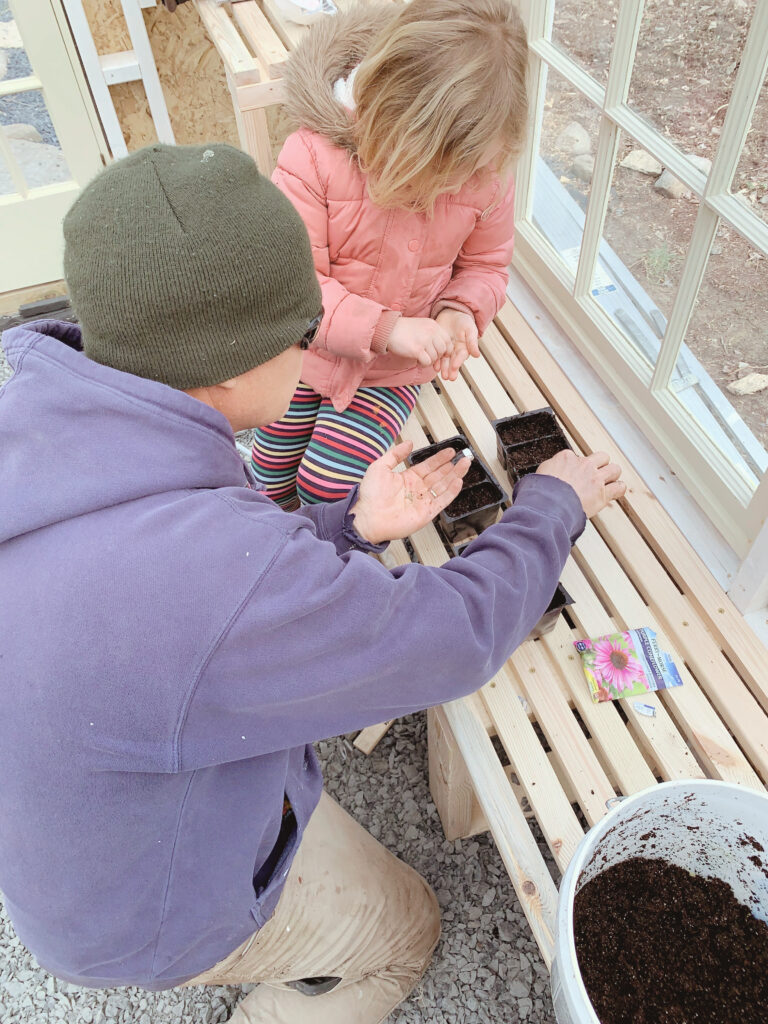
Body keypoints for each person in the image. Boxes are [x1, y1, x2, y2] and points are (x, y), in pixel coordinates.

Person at [0, 143, 624, 1024]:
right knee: (407, 927)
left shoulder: (40, 414)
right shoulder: (209, 580)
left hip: (70, 841)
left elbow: (208, 594)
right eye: (305, 332)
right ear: (228, 365)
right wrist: (553, 502)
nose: (318, 354)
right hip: (142, 916)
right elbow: (451, 636)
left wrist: (347, 530)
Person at [251, 0, 528, 510]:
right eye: (444, 170)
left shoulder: (486, 176)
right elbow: (290, 288)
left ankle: (334, 557)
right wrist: (386, 328)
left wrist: (459, 310)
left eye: (472, 167)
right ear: (391, 124)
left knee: (329, 487)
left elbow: (485, 265)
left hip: (390, 372)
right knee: (267, 473)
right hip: (301, 353)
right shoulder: (312, 157)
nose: (457, 184)